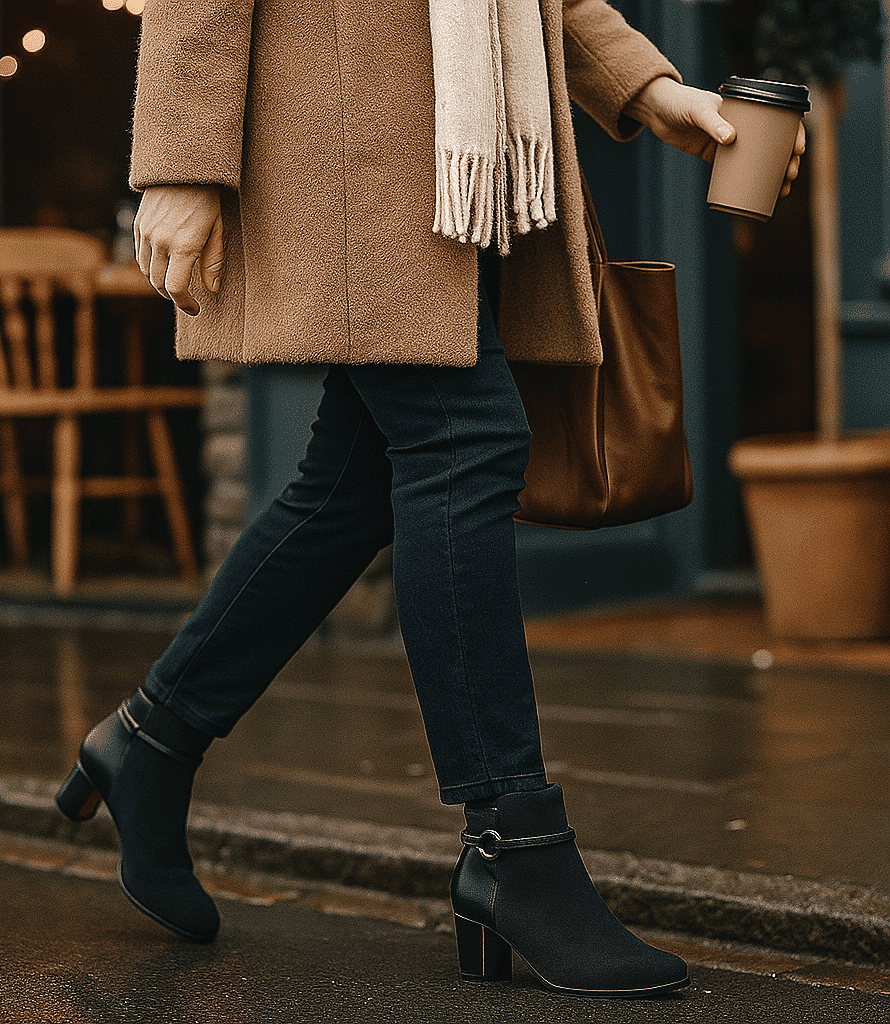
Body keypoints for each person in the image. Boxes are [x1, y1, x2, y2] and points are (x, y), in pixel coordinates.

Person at [56, 0, 805, 1000]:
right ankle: (513, 842)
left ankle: (151, 739)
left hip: (459, 165)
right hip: (344, 147)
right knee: (467, 441)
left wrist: (652, 89)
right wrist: (180, 164)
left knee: (349, 488)